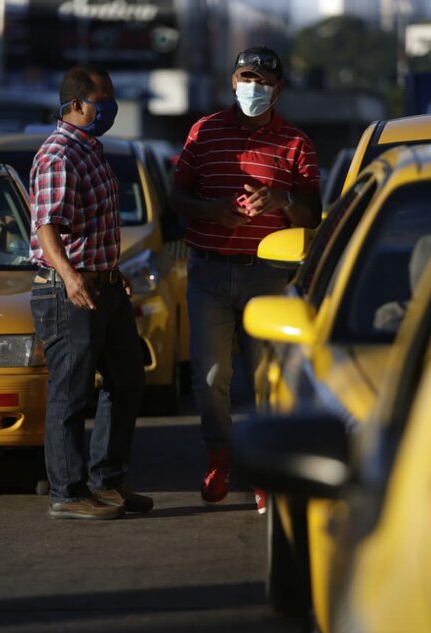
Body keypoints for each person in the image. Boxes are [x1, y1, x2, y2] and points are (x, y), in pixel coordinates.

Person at [169, 46, 321, 512]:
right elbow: (177, 197)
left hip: (268, 278)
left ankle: (261, 470)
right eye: (245, 78)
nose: (252, 87)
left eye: (261, 80)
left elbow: (312, 212)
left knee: (264, 378)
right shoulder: (204, 131)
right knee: (210, 375)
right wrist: (213, 211)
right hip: (209, 270)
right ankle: (219, 457)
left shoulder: (297, 144)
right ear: (233, 83)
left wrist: (281, 201)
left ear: (277, 88)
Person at [28, 64, 151, 520]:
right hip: (70, 291)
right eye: (105, 100)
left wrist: (110, 269)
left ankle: (109, 480)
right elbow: (47, 225)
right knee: (71, 392)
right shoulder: (60, 153)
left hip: (103, 284)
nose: (111, 108)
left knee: (126, 380)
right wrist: (71, 276)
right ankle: (68, 492)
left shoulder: (90, 150)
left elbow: (93, 225)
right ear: (77, 105)